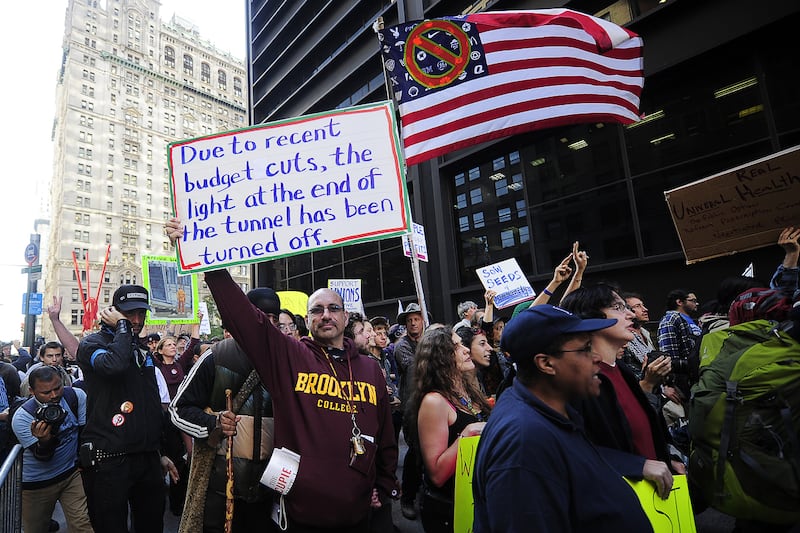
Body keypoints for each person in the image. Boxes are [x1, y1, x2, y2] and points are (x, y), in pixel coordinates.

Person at [169, 213, 398, 533]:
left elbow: (386, 435)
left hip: (358, 516)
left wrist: (386, 485)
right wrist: (204, 255)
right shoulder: (292, 357)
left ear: (346, 317)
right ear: (307, 319)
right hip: (299, 517)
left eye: (333, 309)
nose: (326, 315)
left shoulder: (370, 369)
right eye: (317, 310)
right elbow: (245, 319)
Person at [472, 304, 672, 533]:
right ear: (546, 363)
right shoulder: (524, 441)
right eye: (585, 349)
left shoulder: (549, 411)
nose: (596, 357)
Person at [170, 287, 281, 533]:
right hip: (220, 489)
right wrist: (214, 423)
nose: (267, 324)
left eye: (273, 319)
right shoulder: (215, 357)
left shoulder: (288, 360)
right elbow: (178, 409)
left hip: (270, 492)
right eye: (261, 316)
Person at [76, 285, 178, 533]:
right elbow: (113, 366)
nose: (136, 320)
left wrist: (159, 451)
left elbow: (152, 405)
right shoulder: (92, 344)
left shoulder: (142, 352)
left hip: (146, 459)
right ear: (113, 313)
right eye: (128, 314)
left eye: (141, 314)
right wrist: (122, 328)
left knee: (152, 525)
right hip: (109, 461)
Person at [561, 285, 684, 473]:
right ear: (591, 318)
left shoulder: (623, 371)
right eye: (618, 308)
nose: (631, 315)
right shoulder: (581, 383)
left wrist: (665, 459)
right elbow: (574, 452)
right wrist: (637, 466)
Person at [407, 326, 488, 532]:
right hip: (448, 510)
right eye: (456, 346)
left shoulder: (466, 388)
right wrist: (468, 432)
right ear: (440, 358)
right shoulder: (434, 402)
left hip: (473, 500)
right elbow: (437, 474)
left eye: (462, 343)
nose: (466, 349)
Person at [11, 366, 93, 533]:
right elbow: (43, 456)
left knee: (83, 526)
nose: (54, 395)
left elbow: (85, 433)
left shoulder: (75, 396)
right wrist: (45, 440)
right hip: (37, 483)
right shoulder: (22, 418)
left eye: (57, 388)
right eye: (46, 392)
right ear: (32, 391)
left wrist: (82, 463)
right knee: (36, 529)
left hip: (71, 474)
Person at [395, 302, 428, 520]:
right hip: (411, 408)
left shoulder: (427, 341)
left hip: (432, 405)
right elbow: (414, 366)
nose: (413, 323)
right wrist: (432, 350)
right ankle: (407, 498)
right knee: (415, 453)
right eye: (409, 320)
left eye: (416, 319)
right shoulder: (401, 346)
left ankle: (422, 493)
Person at [657, 288, 701, 401]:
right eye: (693, 300)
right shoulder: (671, 318)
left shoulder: (689, 321)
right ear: (679, 302)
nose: (697, 303)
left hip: (694, 377)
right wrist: (669, 384)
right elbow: (669, 356)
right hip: (683, 382)